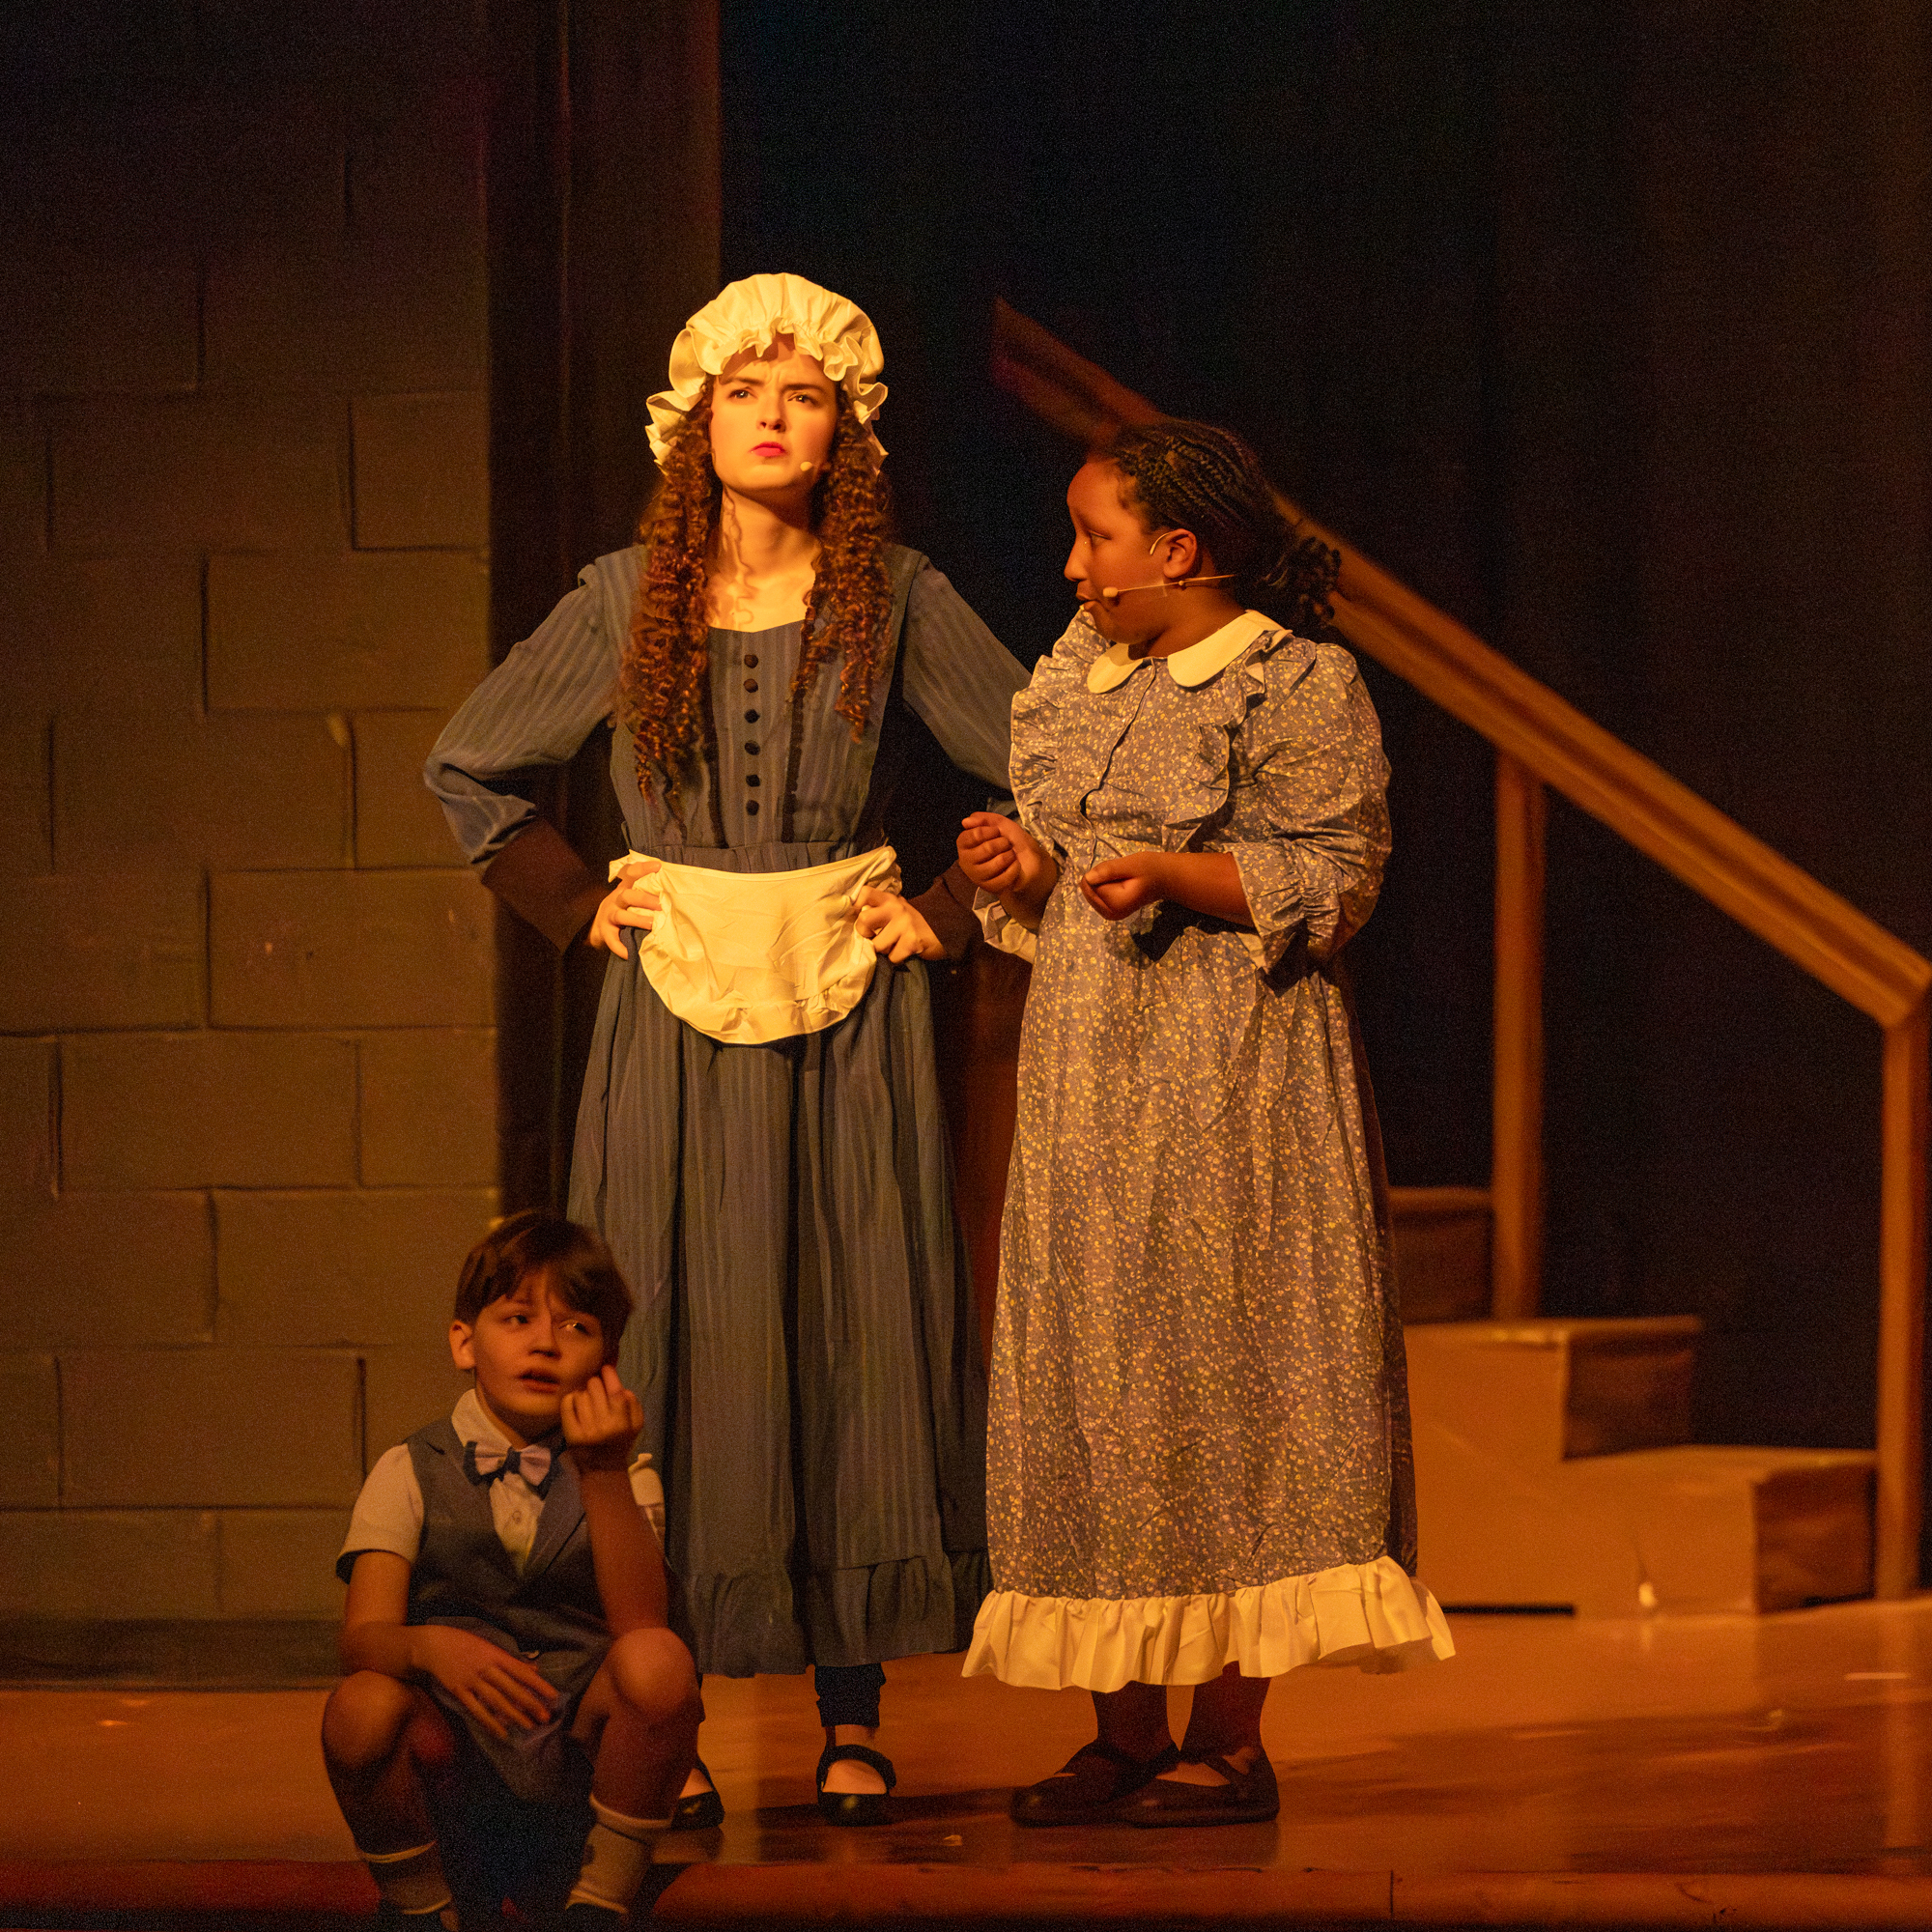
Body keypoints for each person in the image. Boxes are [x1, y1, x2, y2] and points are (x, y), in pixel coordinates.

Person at [426, 273, 1028, 1824]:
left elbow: (1051, 761)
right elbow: (471, 765)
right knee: (668, 1327)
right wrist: (579, 902)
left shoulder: (893, 597)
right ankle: (665, 1705)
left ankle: (853, 1712)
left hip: (846, 998)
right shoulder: (627, 597)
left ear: (845, 431)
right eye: (745, 391)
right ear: (695, 420)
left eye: (804, 394)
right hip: (672, 1003)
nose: (772, 415)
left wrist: (946, 912)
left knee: (852, 1322)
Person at [955, 418, 1454, 1829]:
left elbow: (1337, 872)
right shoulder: (1077, 673)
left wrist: (1180, 873)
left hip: (1236, 1068)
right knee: (1102, 1372)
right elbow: (1064, 865)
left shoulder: (1295, 680)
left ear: (1176, 550)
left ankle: (1228, 1739)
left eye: (1095, 538)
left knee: (1234, 1367)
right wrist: (1024, 863)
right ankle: (1121, 1730)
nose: (1072, 567)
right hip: (1089, 1071)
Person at [322, 1210, 698, 1928]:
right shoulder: (408, 1469)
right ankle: (422, 1906)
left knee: (660, 1663)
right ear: (465, 1341)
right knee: (360, 1707)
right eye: (518, 1318)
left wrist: (602, 1472)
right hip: (456, 1765)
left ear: (608, 1358)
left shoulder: (626, 1473)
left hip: (584, 1768)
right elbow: (361, 1640)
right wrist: (429, 1647)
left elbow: (642, 1626)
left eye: (576, 1327)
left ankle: (600, 1900)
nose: (545, 1343)